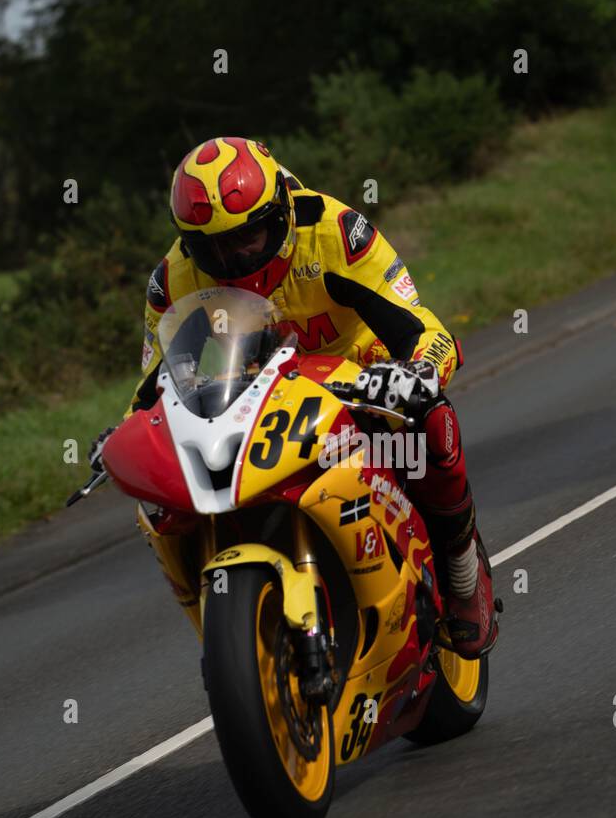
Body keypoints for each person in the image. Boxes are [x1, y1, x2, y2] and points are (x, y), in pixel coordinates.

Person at [90, 136, 498, 656]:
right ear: (189, 242)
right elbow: (154, 383)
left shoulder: (336, 233)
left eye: (248, 237)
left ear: (280, 211)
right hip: (257, 392)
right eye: (214, 248)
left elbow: (420, 324)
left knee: (431, 429)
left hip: (363, 374)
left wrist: (418, 371)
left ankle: (463, 581)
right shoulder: (172, 277)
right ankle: (230, 632)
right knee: (162, 499)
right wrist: (127, 431)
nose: (234, 259)